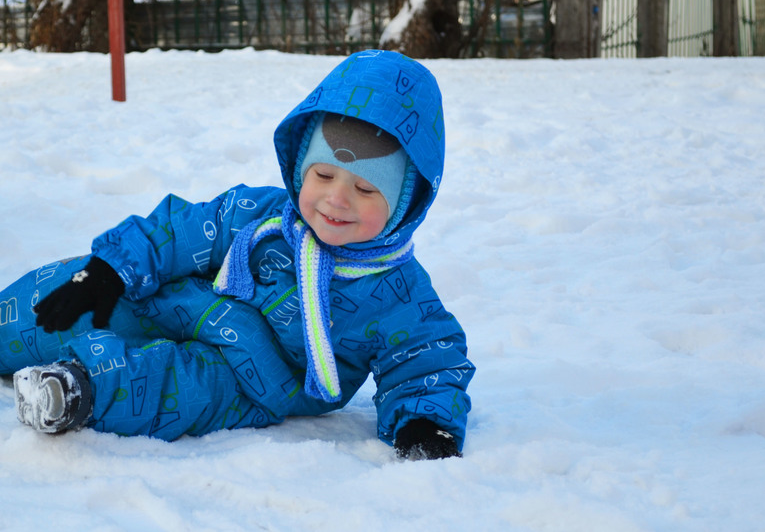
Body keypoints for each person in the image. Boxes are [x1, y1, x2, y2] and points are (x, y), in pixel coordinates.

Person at [0, 49, 474, 460]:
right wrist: (110, 269)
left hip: (256, 378)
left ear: (404, 205)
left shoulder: (398, 290)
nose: (336, 199)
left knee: (182, 389)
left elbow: (426, 358)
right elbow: (181, 228)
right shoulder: (262, 214)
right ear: (299, 168)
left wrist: (424, 422)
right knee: (77, 296)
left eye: (366, 188)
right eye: (323, 177)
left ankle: (74, 390)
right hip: (191, 305)